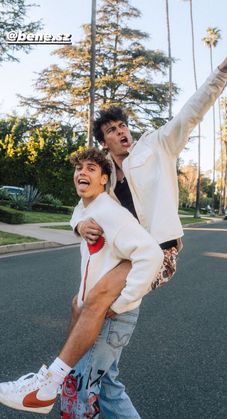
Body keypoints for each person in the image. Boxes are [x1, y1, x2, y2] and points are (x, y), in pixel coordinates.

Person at [0, 42, 227, 418]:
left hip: (159, 250)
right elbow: (84, 203)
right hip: (125, 253)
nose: (122, 132)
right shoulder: (103, 173)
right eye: (112, 129)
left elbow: (192, 112)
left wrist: (223, 70)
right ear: (104, 140)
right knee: (80, 309)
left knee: (97, 305)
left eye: (123, 125)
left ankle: (47, 385)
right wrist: (80, 224)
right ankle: (54, 384)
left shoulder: (156, 146)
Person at [0, 148, 164, 417]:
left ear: (103, 179)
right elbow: (77, 214)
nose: (82, 173)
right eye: (79, 168)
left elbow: (151, 254)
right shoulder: (88, 208)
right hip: (98, 315)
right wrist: (78, 225)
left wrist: (124, 301)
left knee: (82, 390)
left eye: (91, 168)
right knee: (106, 389)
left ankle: (42, 389)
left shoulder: (111, 212)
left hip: (109, 316)